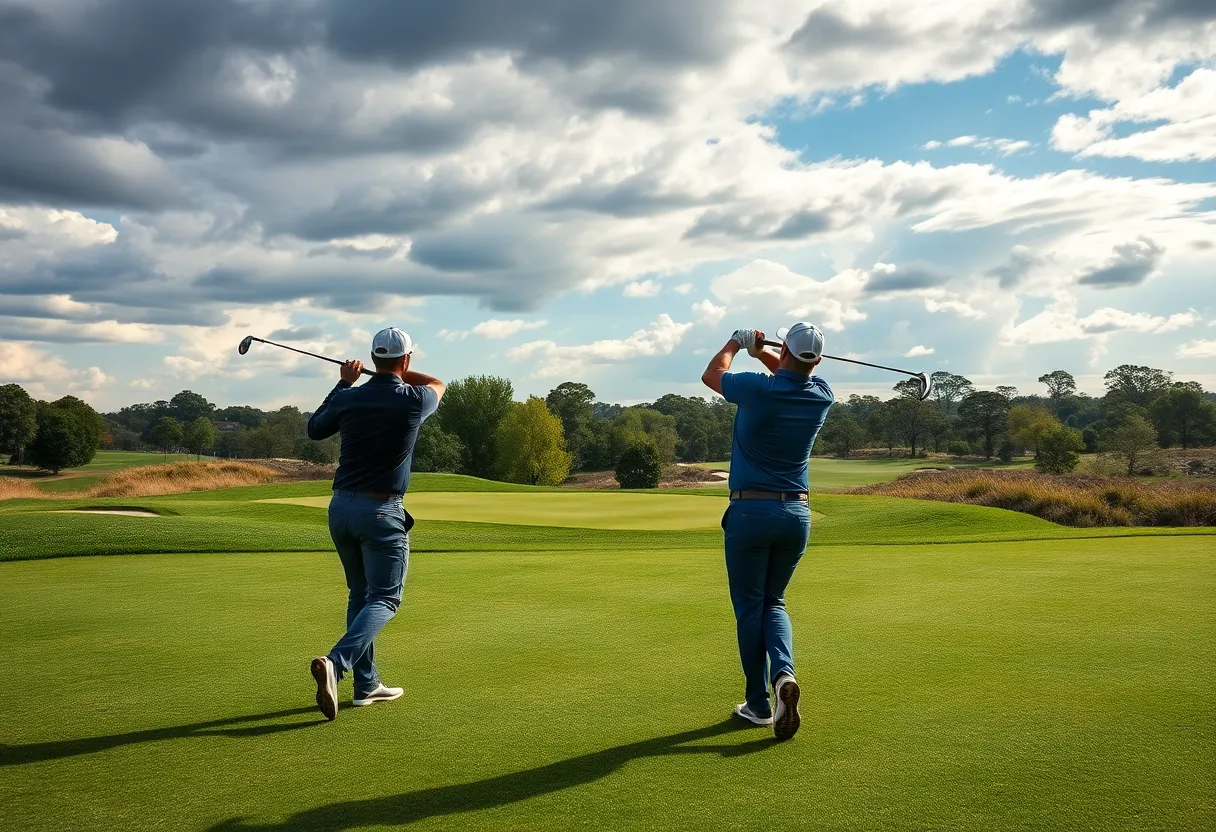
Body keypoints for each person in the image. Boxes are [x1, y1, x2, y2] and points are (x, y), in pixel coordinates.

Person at [304, 327, 446, 721]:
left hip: (340, 509)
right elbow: (438, 382)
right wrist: (392, 375)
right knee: (385, 598)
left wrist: (345, 383)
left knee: (360, 594)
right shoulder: (415, 400)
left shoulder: (349, 397)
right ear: (407, 360)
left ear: (372, 357)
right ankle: (337, 663)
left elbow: (315, 429)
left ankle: (366, 685)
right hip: (381, 512)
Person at [700, 323, 833, 741]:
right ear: (819, 360)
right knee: (775, 601)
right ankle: (784, 676)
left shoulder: (759, 390)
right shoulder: (822, 395)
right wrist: (762, 355)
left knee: (750, 607)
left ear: (786, 351)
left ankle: (758, 704)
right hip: (797, 515)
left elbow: (712, 375)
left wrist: (738, 344)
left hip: (750, 513)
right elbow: (792, 374)